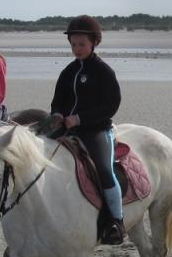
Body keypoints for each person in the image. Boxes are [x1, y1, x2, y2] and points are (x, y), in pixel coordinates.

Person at [50, 15, 125, 245]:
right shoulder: (68, 72)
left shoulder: (104, 71)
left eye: (81, 44)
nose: (77, 48)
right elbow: (57, 101)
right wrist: (57, 115)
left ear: (94, 43)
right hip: (67, 129)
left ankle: (116, 221)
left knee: (104, 169)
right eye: (73, 44)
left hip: (97, 131)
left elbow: (111, 105)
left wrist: (80, 119)